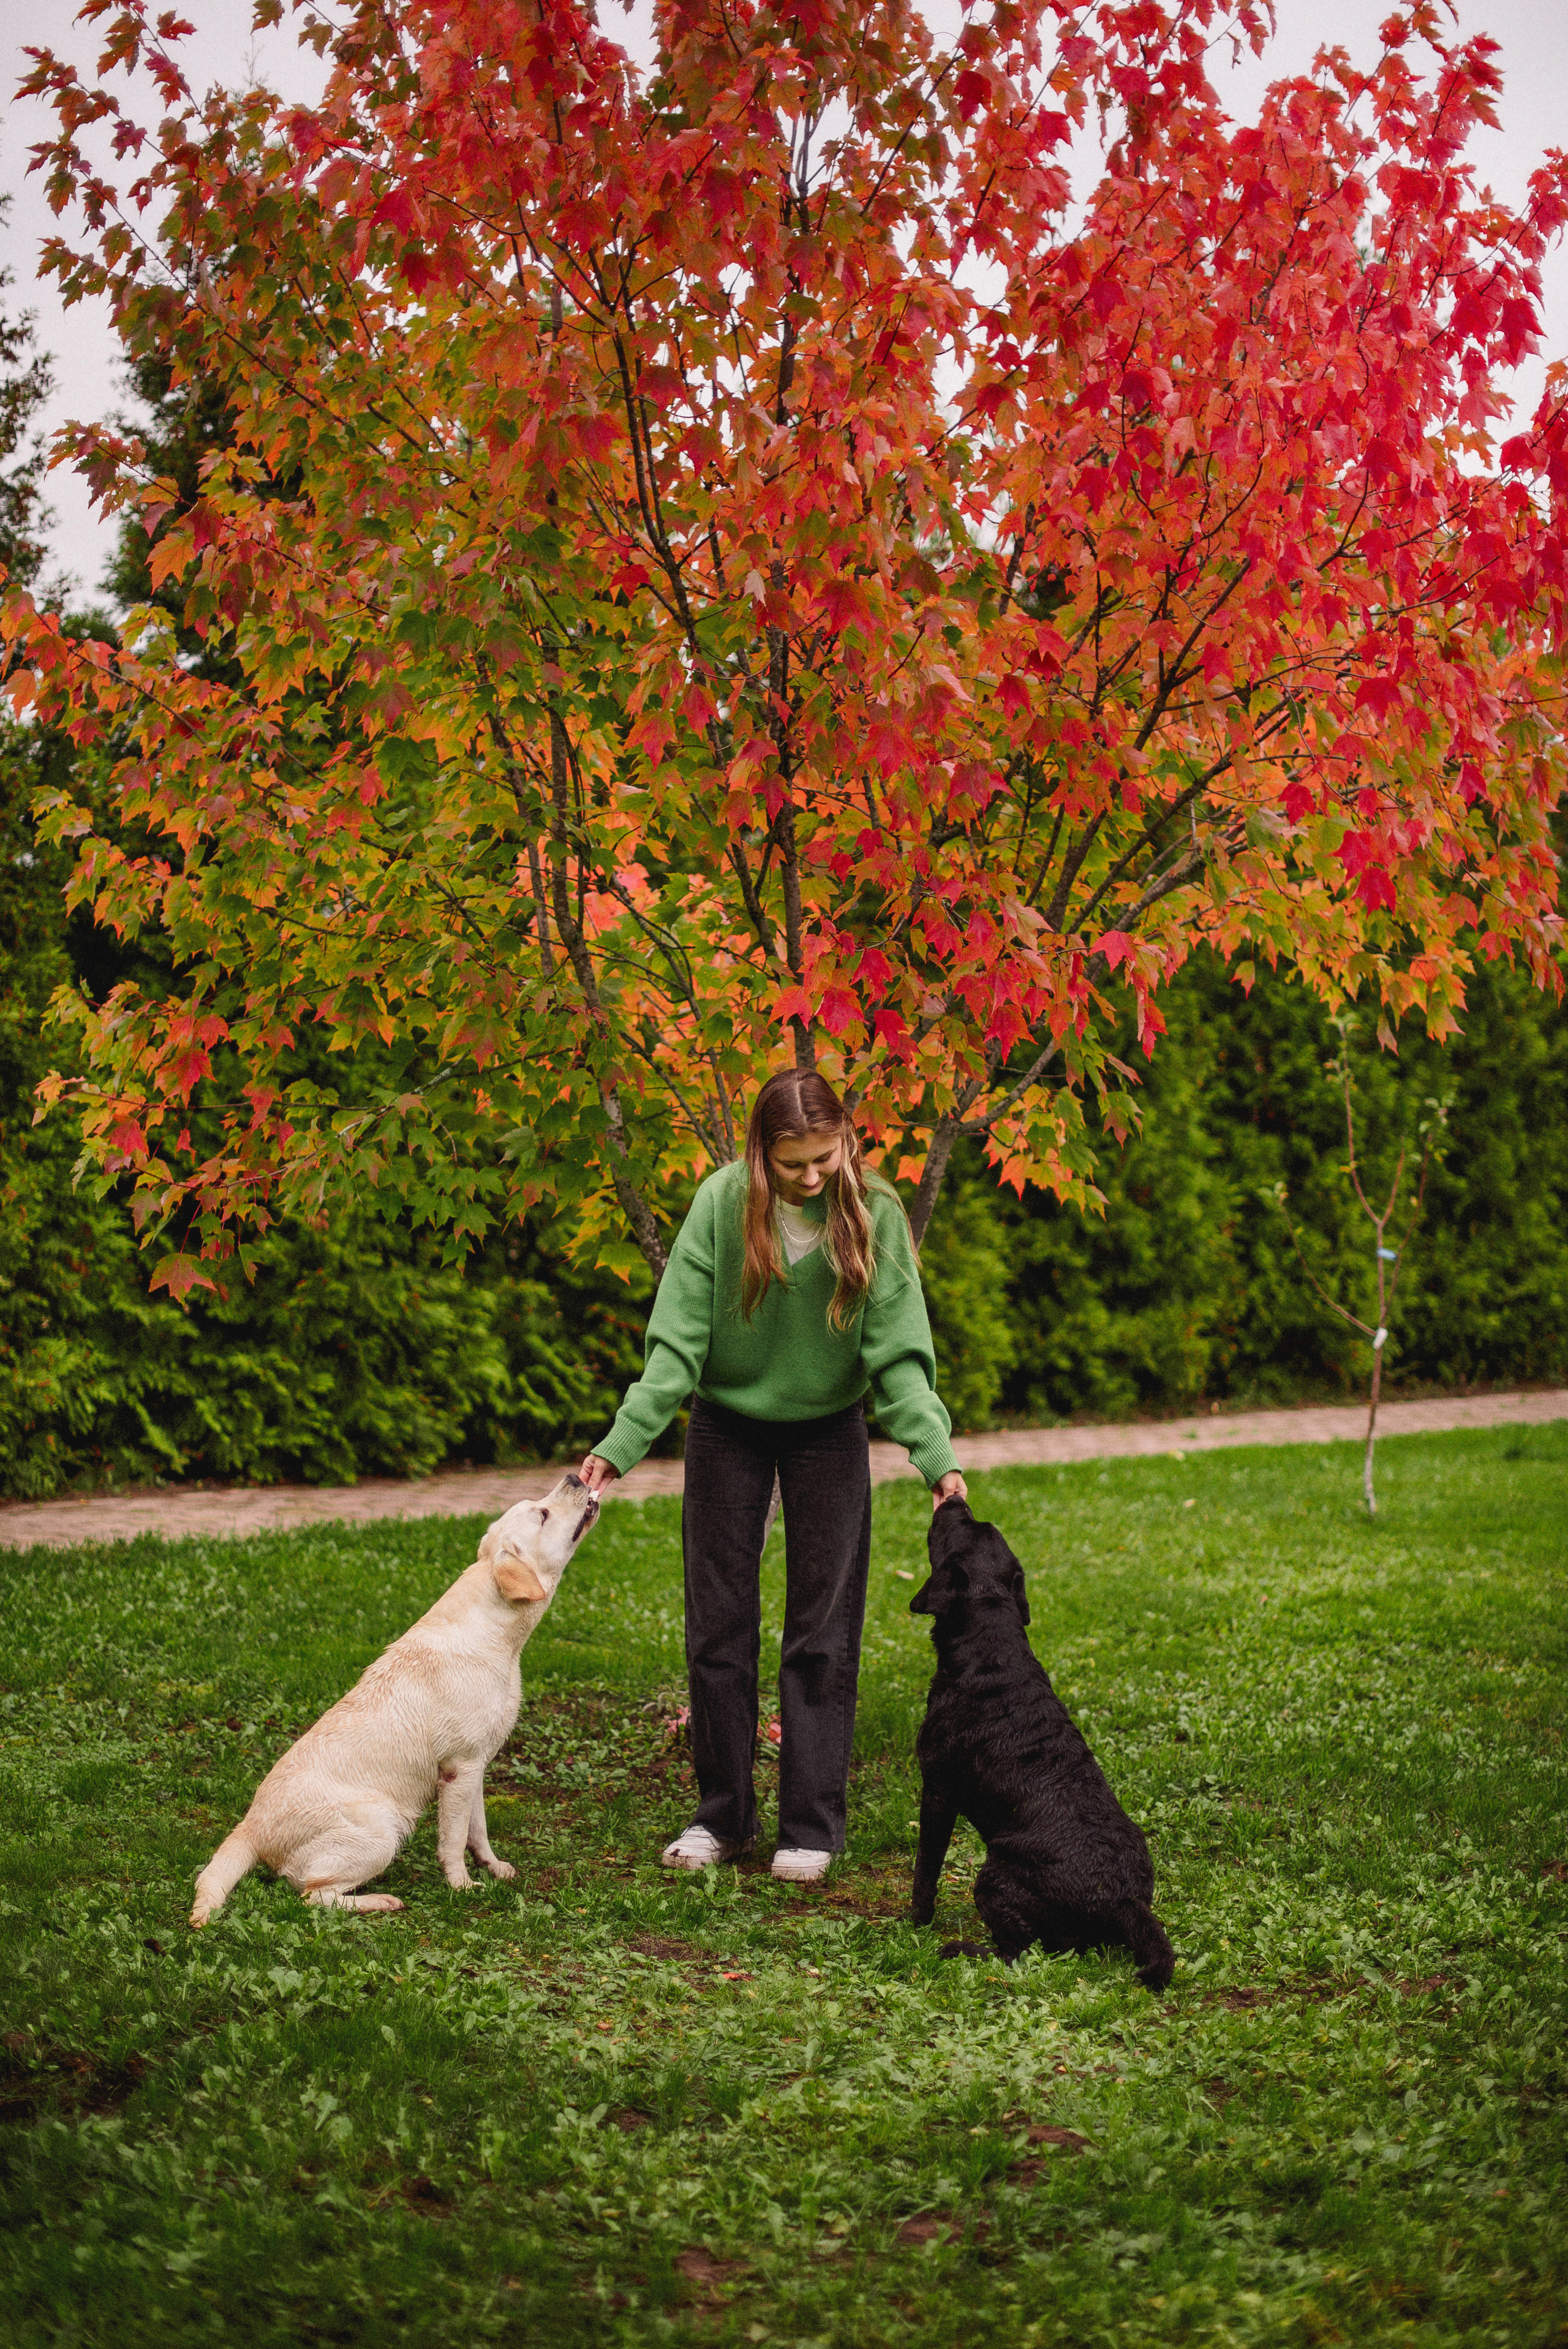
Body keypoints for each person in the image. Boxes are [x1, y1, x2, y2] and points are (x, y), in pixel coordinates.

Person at [579, 1069, 967, 1884]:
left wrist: (937, 1458)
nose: (812, 1176)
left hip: (831, 1428)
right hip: (728, 1424)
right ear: (763, 1153)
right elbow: (677, 1343)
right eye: (793, 1163)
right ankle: (723, 1816)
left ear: (845, 1141)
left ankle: (811, 1825)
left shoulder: (877, 1213)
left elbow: (898, 1354)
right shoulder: (722, 1205)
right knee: (718, 1623)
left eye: (824, 1157)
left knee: (823, 1629)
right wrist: (621, 1444)